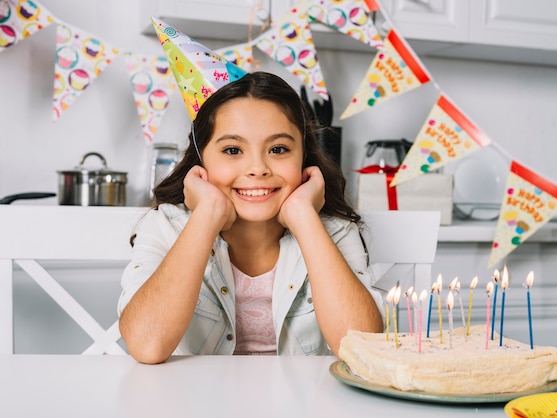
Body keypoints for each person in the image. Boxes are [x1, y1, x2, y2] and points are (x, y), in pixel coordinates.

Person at [118, 71, 383, 364]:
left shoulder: (335, 232)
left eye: (278, 149)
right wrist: (206, 214)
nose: (258, 168)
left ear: (304, 157)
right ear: (200, 159)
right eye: (233, 150)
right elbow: (146, 345)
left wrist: (305, 219)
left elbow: (363, 349)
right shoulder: (165, 227)